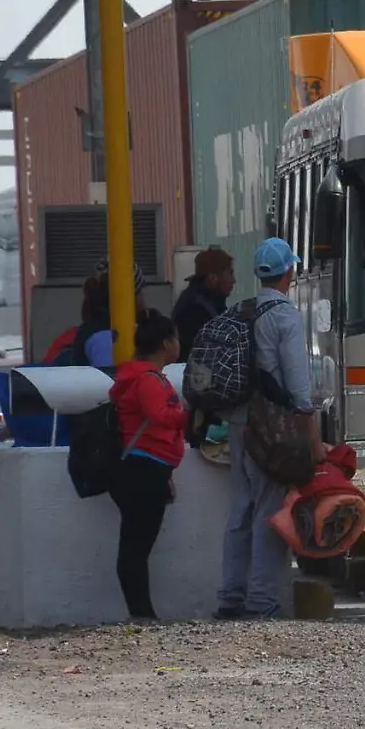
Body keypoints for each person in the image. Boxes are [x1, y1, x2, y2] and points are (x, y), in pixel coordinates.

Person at [216, 238, 326, 620]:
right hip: (271, 428)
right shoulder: (285, 316)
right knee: (271, 509)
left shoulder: (242, 310)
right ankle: (262, 600)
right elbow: (297, 385)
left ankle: (231, 596)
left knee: (241, 509)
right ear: (290, 272)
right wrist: (313, 439)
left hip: (238, 421)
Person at [106, 310, 187, 621]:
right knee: (137, 545)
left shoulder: (136, 375)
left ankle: (142, 611)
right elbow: (161, 416)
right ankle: (142, 613)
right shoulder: (148, 380)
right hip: (144, 468)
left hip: (143, 468)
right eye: (176, 338)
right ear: (166, 343)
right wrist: (189, 415)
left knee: (135, 543)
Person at [172, 247, 236, 362]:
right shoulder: (197, 309)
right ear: (213, 278)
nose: (233, 280)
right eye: (230, 273)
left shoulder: (199, 300)